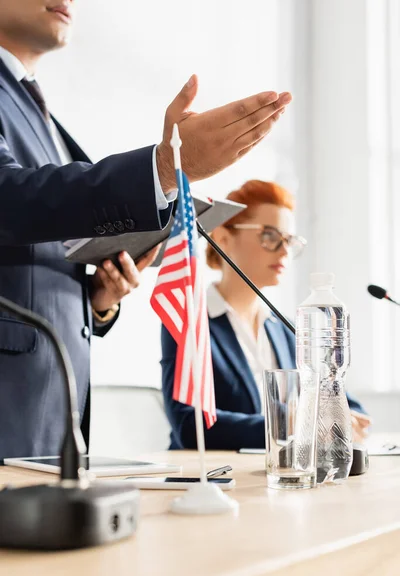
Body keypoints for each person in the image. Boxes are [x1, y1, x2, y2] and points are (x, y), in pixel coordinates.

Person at [0, 1, 292, 459]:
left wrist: (97, 301)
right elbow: (8, 198)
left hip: (50, 416)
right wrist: (162, 167)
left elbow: (39, 243)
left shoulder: (40, 114)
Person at [161, 180, 370, 450]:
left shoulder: (283, 328)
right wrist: (293, 422)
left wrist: (345, 415)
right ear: (223, 238)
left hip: (280, 476)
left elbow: (341, 397)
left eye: (289, 241)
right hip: (212, 480)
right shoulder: (187, 319)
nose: (284, 251)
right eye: (270, 236)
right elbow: (189, 425)